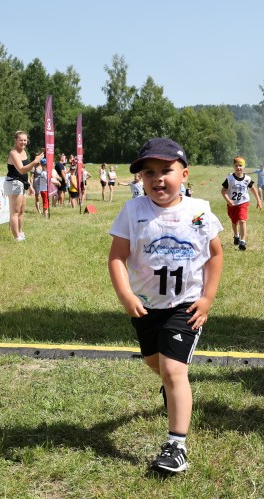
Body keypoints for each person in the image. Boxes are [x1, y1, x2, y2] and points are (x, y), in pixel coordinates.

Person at [108, 137, 223, 474]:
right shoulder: (132, 210)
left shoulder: (198, 211)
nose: (158, 178)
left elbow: (215, 256)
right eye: (149, 172)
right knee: (156, 364)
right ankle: (174, 393)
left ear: (184, 174)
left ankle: (176, 447)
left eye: (166, 171)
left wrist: (207, 298)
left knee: (174, 370)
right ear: (141, 178)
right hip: (145, 309)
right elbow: (116, 258)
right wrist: (126, 296)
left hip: (184, 306)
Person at [3, 131, 45, 241]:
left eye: (25, 140)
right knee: (15, 212)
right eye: (20, 140)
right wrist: (35, 161)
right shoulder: (14, 153)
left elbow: (25, 173)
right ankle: (16, 237)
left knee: (21, 211)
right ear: (15, 140)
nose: (23, 142)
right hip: (13, 183)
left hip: (22, 183)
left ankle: (20, 232)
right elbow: (22, 170)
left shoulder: (24, 152)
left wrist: (30, 185)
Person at [221, 156, 262, 251]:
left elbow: (252, 188)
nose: (238, 168)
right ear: (233, 167)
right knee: (234, 221)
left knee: (242, 220)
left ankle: (243, 241)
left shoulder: (247, 179)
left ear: (244, 167)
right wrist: (228, 200)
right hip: (232, 204)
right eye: (236, 165)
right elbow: (223, 191)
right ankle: (236, 236)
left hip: (243, 202)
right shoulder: (230, 179)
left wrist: (258, 200)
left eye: (240, 165)